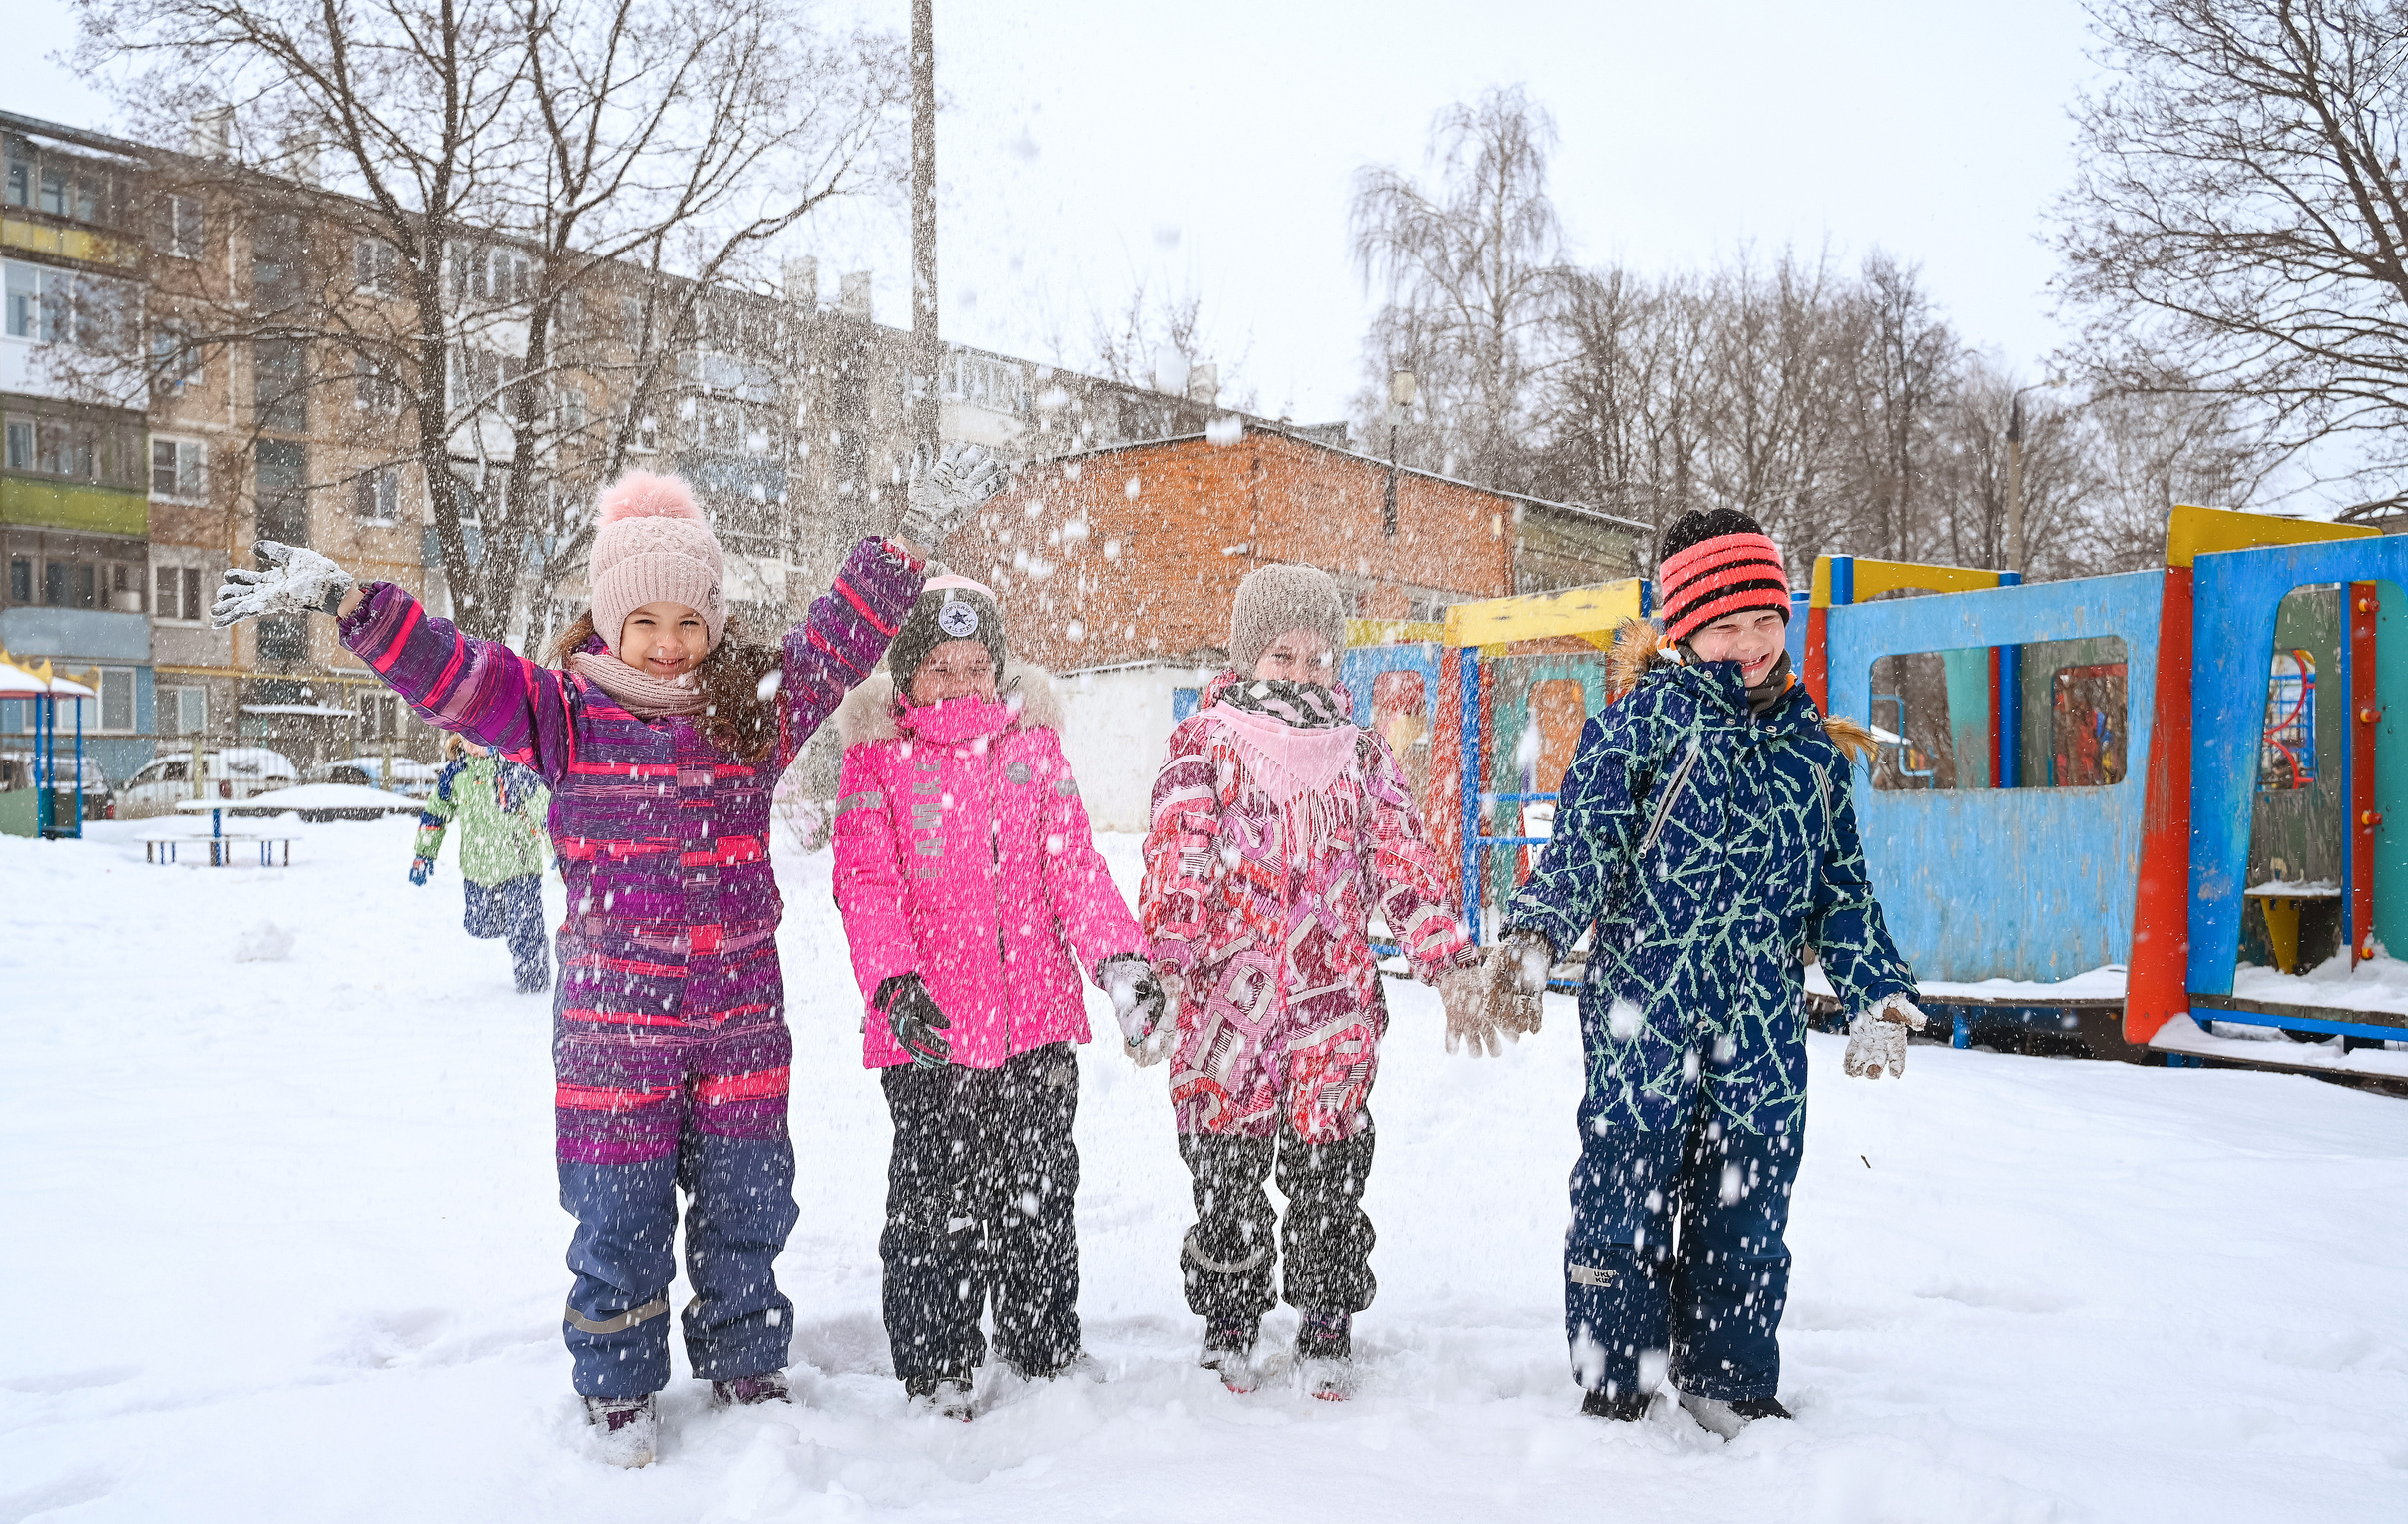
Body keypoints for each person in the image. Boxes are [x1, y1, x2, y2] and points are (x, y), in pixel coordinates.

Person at [212, 450, 1006, 1467]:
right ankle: (619, 1383)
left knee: (749, 1202)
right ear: (606, 623)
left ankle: (743, 1357)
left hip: (738, 1018)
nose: (668, 645)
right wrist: (360, 606)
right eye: (645, 623)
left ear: (712, 623)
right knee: (617, 1213)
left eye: (687, 621)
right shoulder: (561, 714)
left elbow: (835, 642)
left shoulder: (750, 712)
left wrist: (899, 550)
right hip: (613, 1030)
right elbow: (458, 675)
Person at [1485, 507, 1925, 1436]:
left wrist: (1875, 986)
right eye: (1728, 624)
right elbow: (1582, 854)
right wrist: (1533, 939)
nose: (1754, 641)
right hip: (1646, 1011)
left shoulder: (1813, 753)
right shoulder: (1636, 731)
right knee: (1627, 1187)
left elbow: (1841, 891)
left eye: (1767, 618)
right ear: (1684, 630)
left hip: (1761, 1022)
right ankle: (1616, 1374)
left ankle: (1727, 1377)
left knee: (1750, 1196)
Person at [1136, 564, 1504, 1401]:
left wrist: (1446, 959)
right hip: (1224, 1015)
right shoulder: (1207, 743)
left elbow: (1405, 865)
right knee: (1226, 1176)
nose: (1300, 674)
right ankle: (1230, 1317)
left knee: (1330, 1176)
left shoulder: (1363, 755)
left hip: (1331, 1011)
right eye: (1280, 655)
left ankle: (1328, 1314)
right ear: (1246, 657)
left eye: (1315, 658)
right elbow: (1178, 859)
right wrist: (1163, 968)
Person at [831, 578, 1163, 1420]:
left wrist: (1119, 960)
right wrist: (893, 983)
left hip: (1036, 1029)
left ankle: (1042, 1346)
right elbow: (865, 882)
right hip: (931, 1037)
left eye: (977, 666)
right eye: (941, 667)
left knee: (1039, 1197)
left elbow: (1074, 868)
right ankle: (937, 1363)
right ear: (909, 675)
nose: (961, 684)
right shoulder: (879, 761)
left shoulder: (1033, 754)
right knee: (934, 1209)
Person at [411, 731, 554, 992]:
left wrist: (558, 844)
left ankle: (533, 981)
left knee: (524, 928)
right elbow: (436, 812)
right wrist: (424, 853)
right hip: (479, 867)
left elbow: (543, 808)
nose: (473, 745)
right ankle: (511, 926)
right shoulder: (457, 772)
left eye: (478, 737)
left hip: (519, 862)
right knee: (480, 925)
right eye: (466, 737)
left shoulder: (514, 767)